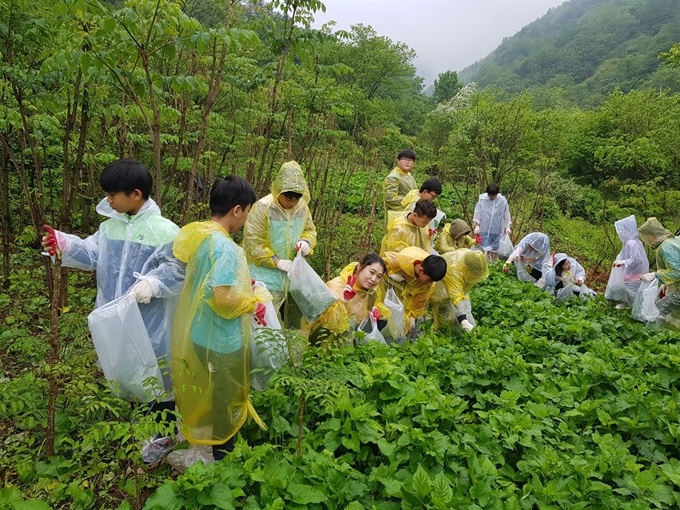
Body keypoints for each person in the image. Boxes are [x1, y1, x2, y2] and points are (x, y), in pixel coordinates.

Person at [41, 159, 185, 463]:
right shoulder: (110, 228)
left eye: (112, 194)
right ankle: (140, 435)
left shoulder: (165, 231)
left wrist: (153, 284)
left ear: (135, 194)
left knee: (157, 380)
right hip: (117, 317)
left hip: (151, 323)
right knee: (129, 376)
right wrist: (64, 244)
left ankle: (163, 440)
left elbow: (180, 268)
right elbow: (93, 253)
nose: (108, 200)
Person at [171, 176, 267, 462]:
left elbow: (209, 282)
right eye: (248, 212)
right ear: (237, 210)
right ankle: (223, 456)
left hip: (201, 334)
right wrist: (253, 302)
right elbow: (222, 297)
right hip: (222, 340)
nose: (246, 218)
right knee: (228, 399)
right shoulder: (227, 247)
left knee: (215, 391)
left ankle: (210, 441)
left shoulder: (203, 236)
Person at [243, 161, 316, 328]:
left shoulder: (302, 208)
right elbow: (253, 242)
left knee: (294, 326)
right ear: (278, 191)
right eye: (288, 197)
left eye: (297, 198)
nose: (292, 202)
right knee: (264, 325)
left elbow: (310, 230)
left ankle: (292, 354)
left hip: (293, 279)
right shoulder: (263, 208)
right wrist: (276, 261)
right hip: (265, 279)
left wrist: (306, 242)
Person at [308, 254, 390, 348]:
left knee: (382, 320)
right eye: (371, 272)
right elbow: (330, 322)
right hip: (326, 333)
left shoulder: (371, 288)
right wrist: (344, 301)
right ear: (359, 267)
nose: (374, 279)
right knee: (347, 326)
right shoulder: (336, 286)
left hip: (356, 329)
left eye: (379, 276)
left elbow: (374, 302)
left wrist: (375, 308)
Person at [380, 246, 447, 331]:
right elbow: (383, 263)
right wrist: (391, 273)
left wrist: (412, 317)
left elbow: (420, 299)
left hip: (409, 278)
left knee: (404, 305)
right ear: (420, 270)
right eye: (429, 280)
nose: (430, 283)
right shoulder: (404, 261)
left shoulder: (429, 281)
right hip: (394, 275)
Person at [430, 249, 488, 332]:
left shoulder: (473, 257)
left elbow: (461, 293)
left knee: (464, 306)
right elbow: (456, 295)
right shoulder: (454, 271)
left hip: (456, 283)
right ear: (467, 269)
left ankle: (470, 328)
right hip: (440, 285)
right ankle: (446, 333)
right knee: (446, 315)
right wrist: (464, 321)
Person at [638, 217, 680, 330]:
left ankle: (654, 337)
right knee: (673, 315)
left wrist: (656, 275)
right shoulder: (674, 240)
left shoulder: (666, 247)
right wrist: (665, 283)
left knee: (658, 311)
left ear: (651, 235)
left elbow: (677, 272)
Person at [609, 215, 649, 308]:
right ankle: (627, 307)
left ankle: (634, 309)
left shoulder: (632, 243)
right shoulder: (628, 242)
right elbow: (623, 255)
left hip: (634, 274)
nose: (620, 233)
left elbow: (636, 260)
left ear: (626, 230)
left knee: (632, 292)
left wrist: (622, 262)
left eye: (621, 230)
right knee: (627, 290)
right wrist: (619, 261)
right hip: (631, 273)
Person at [473, 183, 511, 261]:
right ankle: (481, 263)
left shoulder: (502, 201)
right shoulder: (483, 200)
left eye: (493, 195)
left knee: (494, 248)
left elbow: (506, 213)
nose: (491, 197)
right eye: (490, 195)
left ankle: (494, 265)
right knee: (481, 248)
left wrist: (507, 226)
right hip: (484, 228)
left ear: (497, 194)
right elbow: (478, 212)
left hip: (496, 229)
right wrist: (477, 225)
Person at [383, 149, 417, 218]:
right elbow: (390, 198)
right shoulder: (394, 177)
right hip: (396, 215)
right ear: (398, 161)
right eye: (404, 159)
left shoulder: (410, 177)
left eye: (410, 160)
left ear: (413, 163)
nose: (407, 162)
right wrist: (410, 201)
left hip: (409, 214)